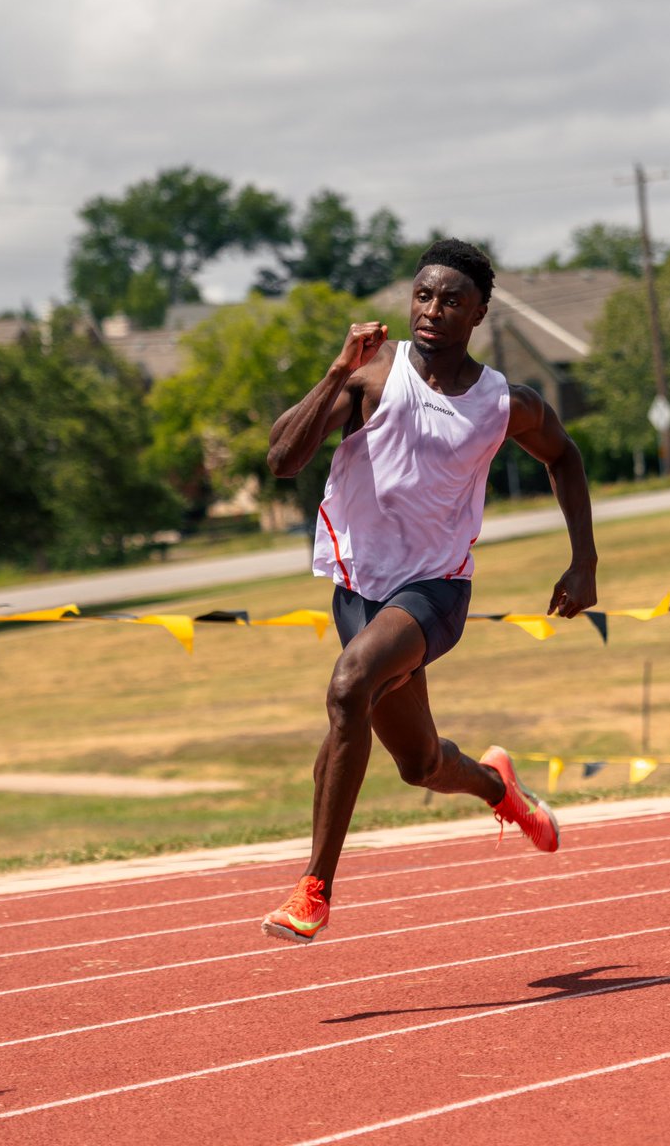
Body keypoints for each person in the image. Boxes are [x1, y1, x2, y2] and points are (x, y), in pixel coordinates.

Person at [261, 238, 597, 944]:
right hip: (358, 592)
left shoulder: (506, 403)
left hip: (436, 592)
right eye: (423, 295)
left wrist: (583, 561)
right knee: (419, 764)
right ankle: (501, 790)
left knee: (349, 686)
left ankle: (314, 888)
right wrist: (336, 370)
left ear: (478, 313)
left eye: (450, 300)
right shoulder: (372, 380)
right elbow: (282, 461)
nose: (432, 310)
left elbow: (564, 457)